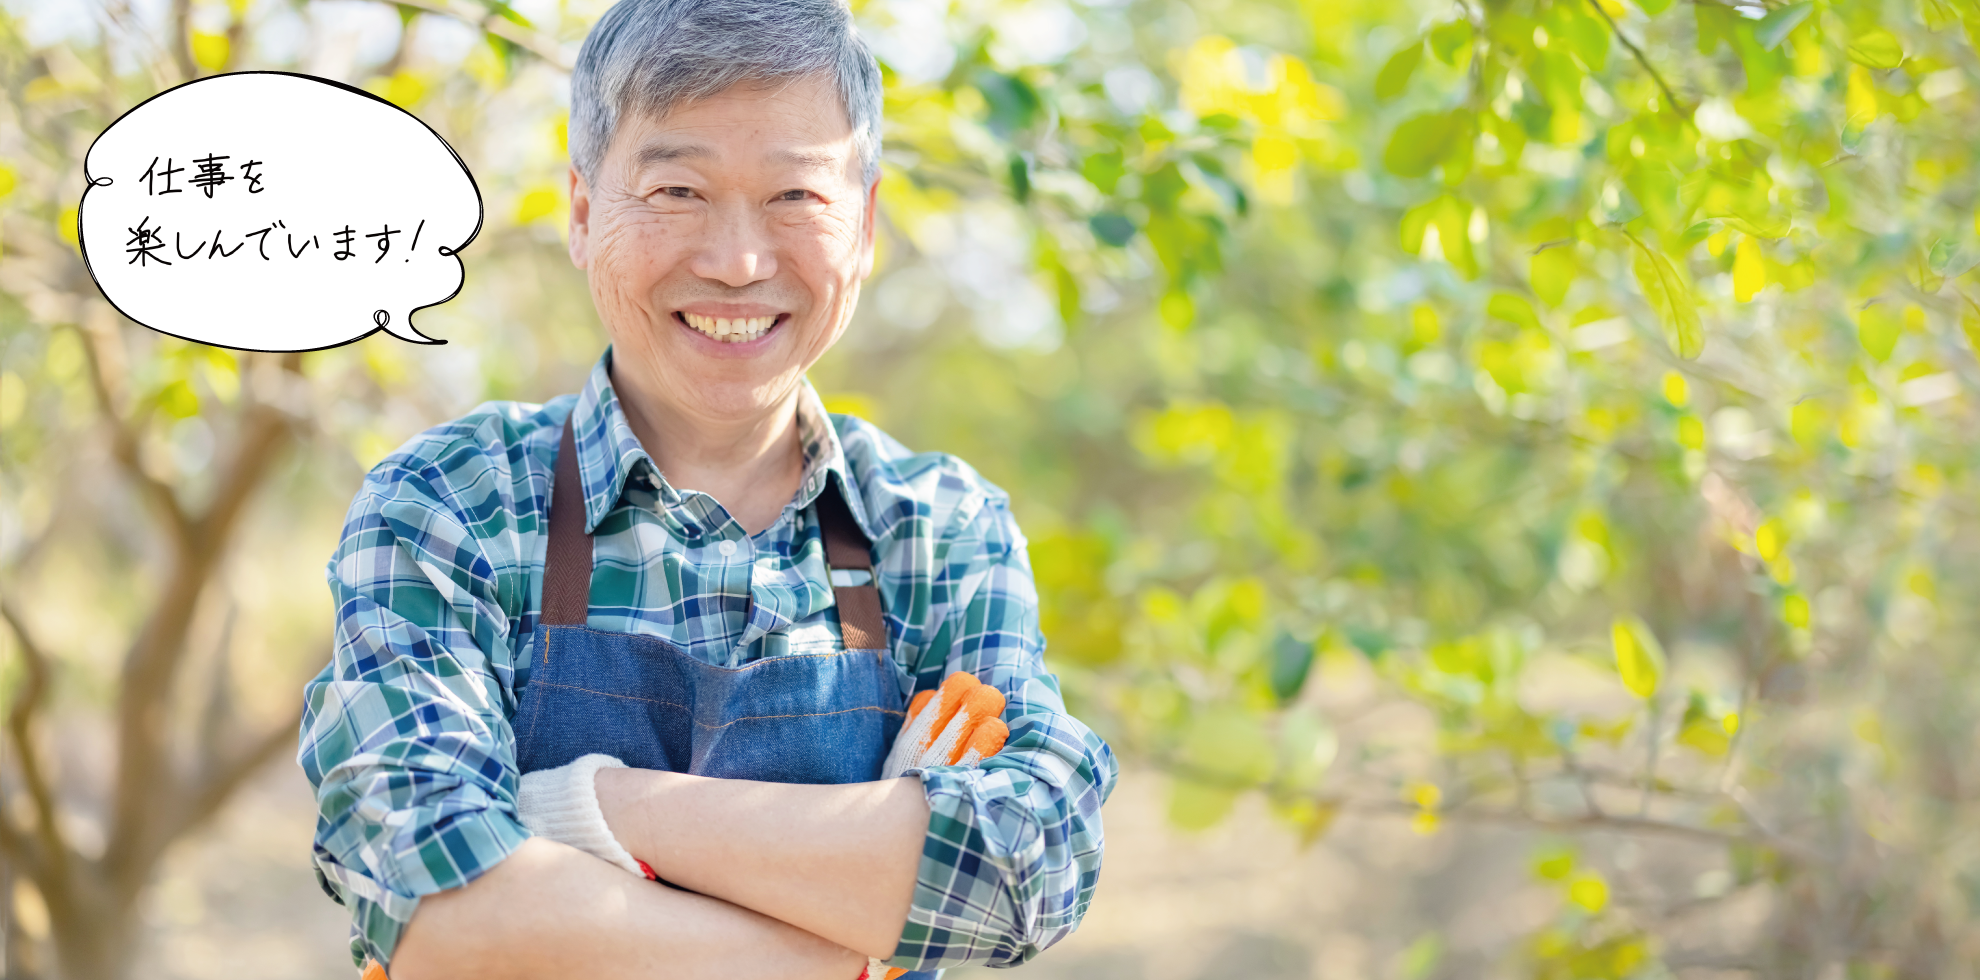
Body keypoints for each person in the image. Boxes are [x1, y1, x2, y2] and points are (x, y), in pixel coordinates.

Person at [296, 0, 1118, 977]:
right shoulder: (453, 505)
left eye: (795, 198)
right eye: (679, 188)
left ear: (863, 225)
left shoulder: (937, 529)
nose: (737, 261)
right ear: (584, 210)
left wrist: (593, 804)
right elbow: (438, 913)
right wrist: (853, 930)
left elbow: (1025, 866)